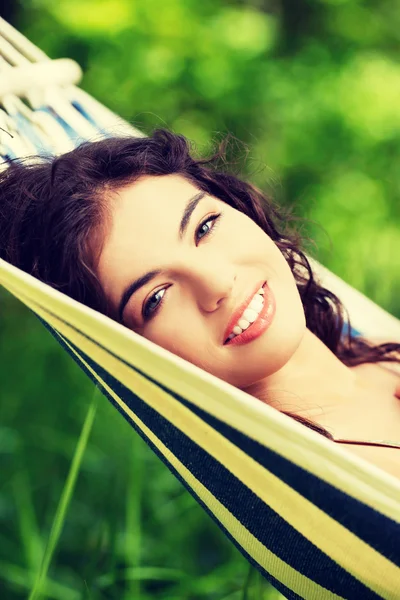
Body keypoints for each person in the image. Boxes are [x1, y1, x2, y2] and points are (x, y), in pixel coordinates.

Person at [1, 129, 399, 479]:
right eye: (156, 297)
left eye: (204, 227)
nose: (218, 283)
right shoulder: (337, 489)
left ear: (240, 207)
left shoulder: (379, 358)